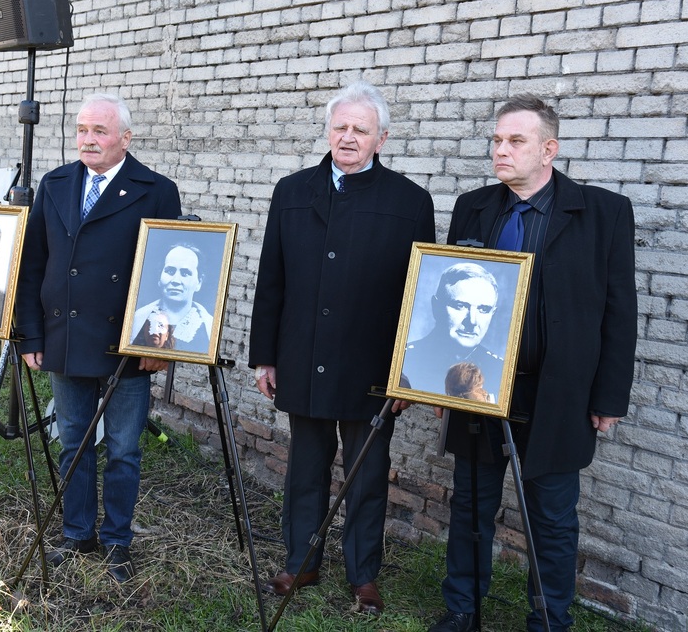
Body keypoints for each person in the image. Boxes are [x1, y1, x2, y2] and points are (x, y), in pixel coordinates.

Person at [427, 94, 636, 632]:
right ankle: (462, 608)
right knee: (471, 504)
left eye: (515, 141)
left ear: (549, 149)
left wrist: (609, 397)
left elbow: (619, 312)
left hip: (559, 392)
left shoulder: (604, 213)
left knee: (552, 516)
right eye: (497, 140)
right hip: (479, 385)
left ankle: (549, 620)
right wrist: (438, 383)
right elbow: (448, 295)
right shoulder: (473, 207)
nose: (501, 150)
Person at [249, 80, 436, 614]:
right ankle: (301, 561)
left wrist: (408, 372)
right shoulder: (292, 191)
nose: (348, 137)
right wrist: (265, 355)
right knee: (305, 466)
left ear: (381, 138)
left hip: (370, 365)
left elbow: (420, 296)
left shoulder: (410, 201)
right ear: (328, 131)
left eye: (360, 129)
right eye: (340, 127)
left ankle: (363, 574)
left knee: (367, 473)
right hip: (303, 355)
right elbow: (272, 279)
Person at [15, 92, 182, 584]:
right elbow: (33, 263)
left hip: (126, 344)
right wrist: (30, 334)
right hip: (65, 336)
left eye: (100, 131)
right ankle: (77, 532)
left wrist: (160, 344)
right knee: (74, 442)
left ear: (125, 138)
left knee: (124, 449)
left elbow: (166, 272)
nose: (88, 140)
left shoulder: (156, 189)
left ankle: (116, 541)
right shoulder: (56, 183)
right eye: (82, 130)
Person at [401, 262, 505, 401]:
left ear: (493, 313)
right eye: (460, 305)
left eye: (483, 309)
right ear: (436, 307)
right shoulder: (404, 360)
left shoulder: (501, 371)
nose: (472, 321)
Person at [131, 243, 212, 352]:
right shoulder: (138, 319)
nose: (175, 281)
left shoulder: (209, 326)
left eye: (185, 273)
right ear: (159, 278)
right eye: (170, 271)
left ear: (199, 282)